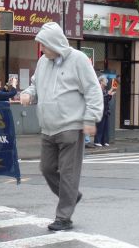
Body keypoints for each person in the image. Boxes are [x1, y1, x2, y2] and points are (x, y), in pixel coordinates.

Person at [20, 22, 103, 232]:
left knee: (68, 174)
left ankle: (63, 217)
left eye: (44, 45)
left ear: (55, 43)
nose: (41, 49)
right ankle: (72, 196)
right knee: (46, 168)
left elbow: (93, 90)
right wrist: (29, 93)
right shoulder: (42, 62)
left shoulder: (78, 60)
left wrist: (90, 119)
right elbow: (35, 84)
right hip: (48, 127)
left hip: (70, 126)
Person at [94, 75, 116, 147]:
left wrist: (110, 94)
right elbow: (100, 98)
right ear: (101, 82)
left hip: (106, 110)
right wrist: (108, 94)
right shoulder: (97, 89)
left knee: (106, 126)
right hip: (100, 110)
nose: (106, 81)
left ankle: (104, 141)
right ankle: (97, 141)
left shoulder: (105, 90)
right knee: (100, 126)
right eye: (104, 80)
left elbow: (106, 98)